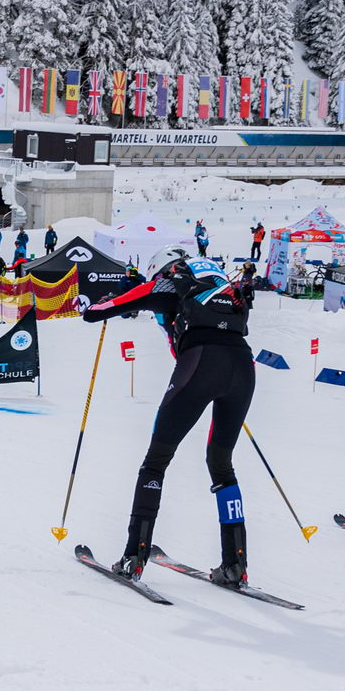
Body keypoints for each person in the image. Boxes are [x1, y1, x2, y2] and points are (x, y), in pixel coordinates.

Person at [82, 249, 257, 587]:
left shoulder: (169, 283)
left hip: (200, 365)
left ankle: (134, 556)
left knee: (156, 459)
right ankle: (235, 563)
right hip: (243, 368)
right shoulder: (223, 287)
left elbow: (102, 311)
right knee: (221, 462)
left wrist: (95, 305)